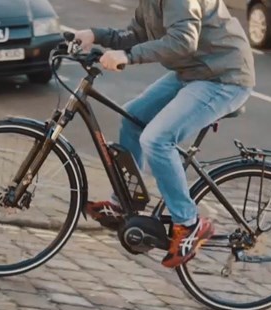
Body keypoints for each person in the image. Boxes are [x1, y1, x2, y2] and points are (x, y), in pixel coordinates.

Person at [77, 0, 255, 268]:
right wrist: (95, 35)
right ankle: (124, 202)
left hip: (223, 77)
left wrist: (128, 56)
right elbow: (136, 34)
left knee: (157, 139)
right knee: (132, 118)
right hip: (193, 71)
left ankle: (189, 223)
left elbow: (183, 41)